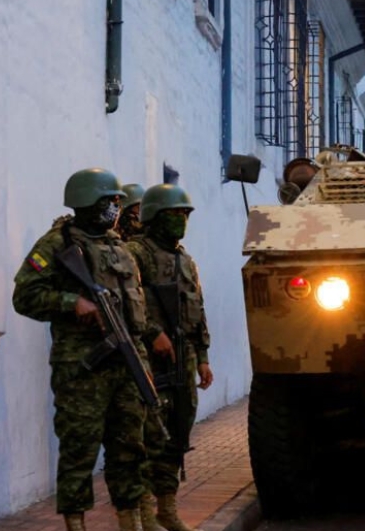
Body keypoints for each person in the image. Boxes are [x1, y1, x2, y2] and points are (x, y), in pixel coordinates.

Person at [12, 168, 169, 531]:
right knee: (79, 449)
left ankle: (131, 521)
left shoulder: (119, 247)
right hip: (82, 368)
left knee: (130, 447)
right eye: (109, 201)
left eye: (117, 201)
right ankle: (76, 522)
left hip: (127, 364)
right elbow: (25, 295)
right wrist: (72, 302)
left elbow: (136, 308)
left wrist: (147, 343)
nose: (116, 207)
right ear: (87, 201)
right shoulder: (58, 244)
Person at [127, 184, 213, 531]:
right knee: (149, 435)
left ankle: (167, 506)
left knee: (178, 432)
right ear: (155, 216)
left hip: (183, 355)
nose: (181, 220)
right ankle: (145, 512)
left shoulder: (185, 260)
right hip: (148, 357)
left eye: (185, 214)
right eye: (174, 214)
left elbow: (198, 310)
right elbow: (126, 302)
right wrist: (152, 333)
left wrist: (203, 356)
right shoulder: (136, 253)